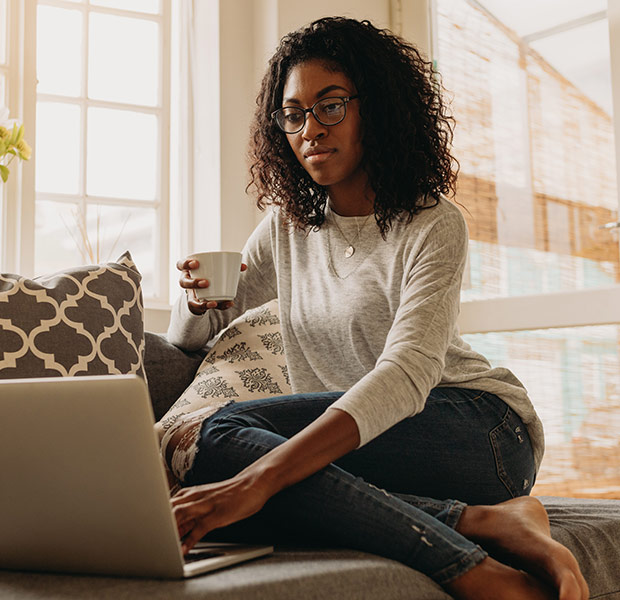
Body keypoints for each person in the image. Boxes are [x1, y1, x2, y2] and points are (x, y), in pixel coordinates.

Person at [165, 17, 589, 600]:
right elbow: (193, 339)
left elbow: (408, 374)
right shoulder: (287, 229)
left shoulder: (433, 223)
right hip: (364, 445)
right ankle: (482, 523)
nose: (309, 129)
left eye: (330, 106)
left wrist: (261, 478)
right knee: (209, 461)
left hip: (477, 430)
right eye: (293, 114)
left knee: (235, 445)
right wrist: (196, 303)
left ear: (380, 109)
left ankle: (475, 573)